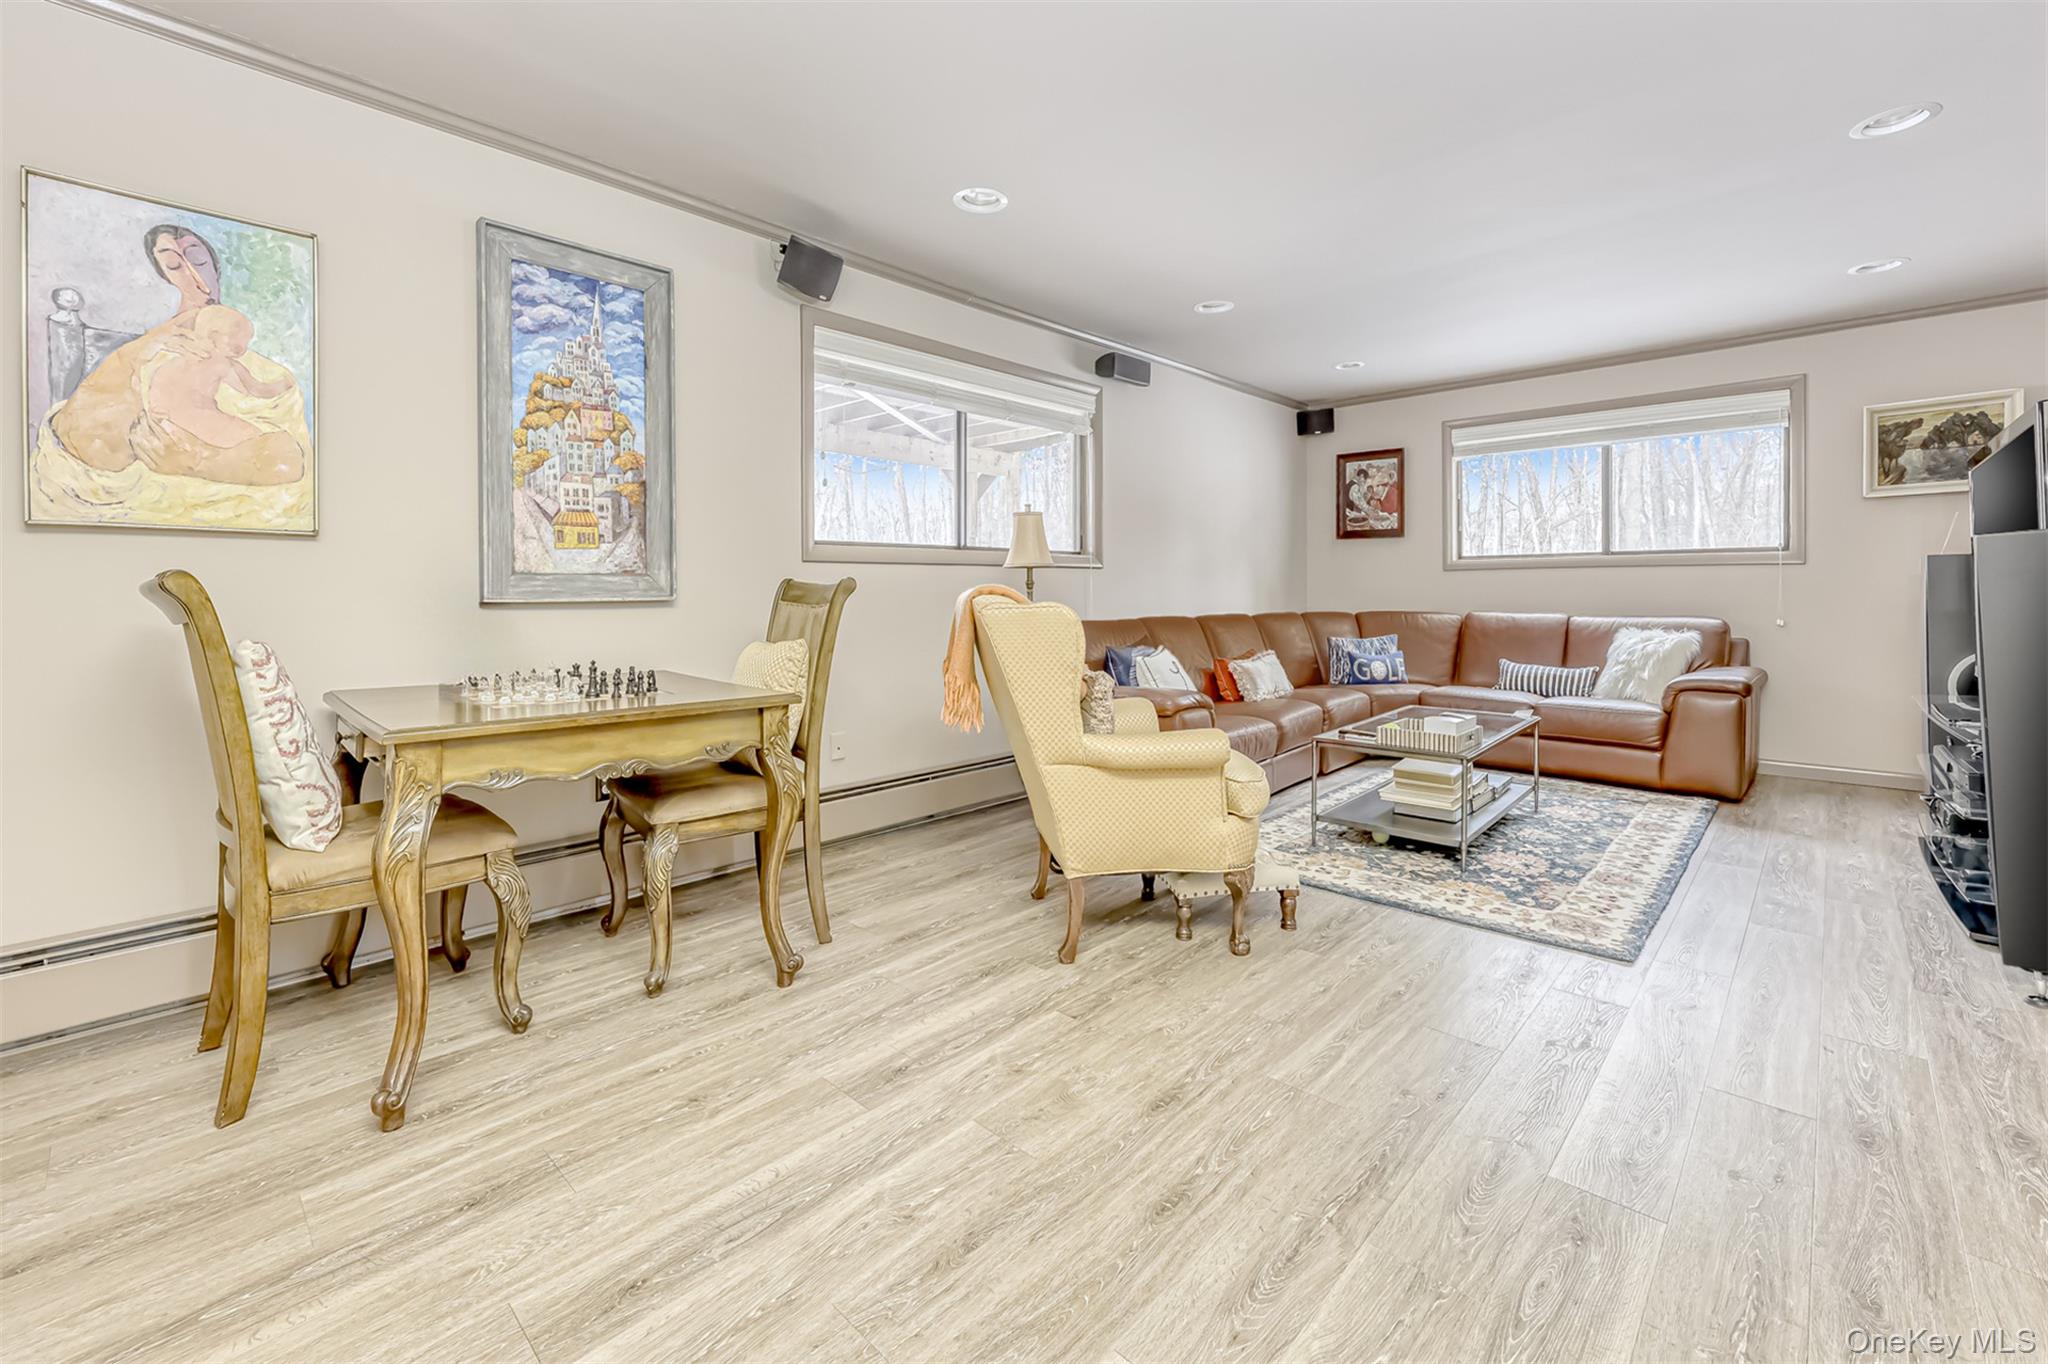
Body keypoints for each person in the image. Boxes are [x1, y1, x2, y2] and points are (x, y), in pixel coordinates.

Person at [31, 223, 312, 528]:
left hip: (234, 470)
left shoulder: (247, 361)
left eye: (199, 261)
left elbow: (292, 461)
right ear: (164, 276)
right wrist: (139, 352)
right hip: (127, 474)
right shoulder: (149, 351)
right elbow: (81, 440)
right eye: (175, 266)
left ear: (215, 266)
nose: (194, 277)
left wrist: (199, 460)